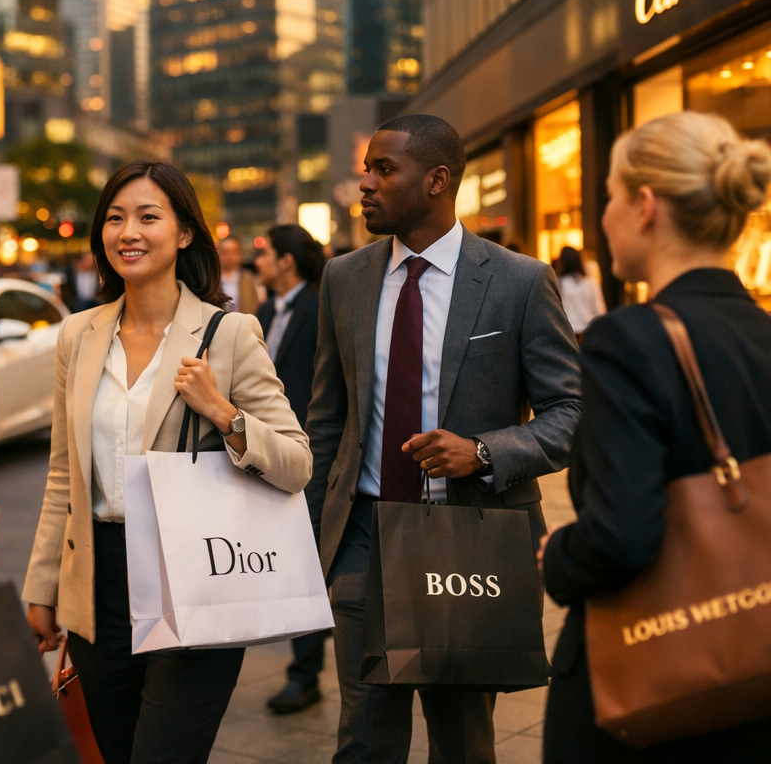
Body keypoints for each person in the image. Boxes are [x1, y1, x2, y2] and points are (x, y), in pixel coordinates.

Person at [306, 114, 581, 764]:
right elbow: (326, 422)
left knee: (462, 743)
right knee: (364, 740)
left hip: (469, 540)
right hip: (364, 538)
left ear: (437, 180)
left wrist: (484, 452)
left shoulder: (517, 281)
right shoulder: (343, 280)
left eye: (383, 170)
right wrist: (310, 540)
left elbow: (573, 412)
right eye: (366, 169)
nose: (364, 185)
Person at [23, 160, 312, 764]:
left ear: (184, 233)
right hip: (96, 584)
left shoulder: (228, 334)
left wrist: (224, 412)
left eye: (148, 217)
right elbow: (62, 476)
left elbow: (296, 463)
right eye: (115, 218)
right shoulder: (78, 334)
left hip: (191, 577)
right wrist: (42, 586)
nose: (128, 232)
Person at [540, 112, 771, 762]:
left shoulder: (628, 338)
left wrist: (558, 555)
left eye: (609, 195)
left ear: (644, 206)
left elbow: (621, 534)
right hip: (752, 672)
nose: (605, 214)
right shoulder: (761, 329)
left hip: (649, 687)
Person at [254, 224, 331, 714]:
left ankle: (306, 675)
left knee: (306, 566)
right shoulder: (264, 311)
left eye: (264, 253)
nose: (257, 261)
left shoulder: (321, 307)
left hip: (311, 455)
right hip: (266, 453)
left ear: (287, 261)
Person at [554, 245, 606, 339]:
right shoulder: (591, 283)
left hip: (567, 332)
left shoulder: (558, 283)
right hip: (588, 331)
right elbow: (599, 311)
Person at [218, 234, 260, 314]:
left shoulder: (248, 278)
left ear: (240, 254)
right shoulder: (212, 280)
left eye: (233, 252)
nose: (229, 257)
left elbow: (255, 305)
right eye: (225, 252)